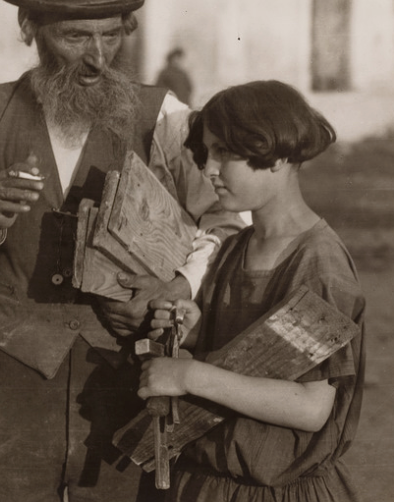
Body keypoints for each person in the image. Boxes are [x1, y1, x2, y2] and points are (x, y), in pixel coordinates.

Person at [0, 0, 244, 502]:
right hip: (10, 385)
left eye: (111, 36)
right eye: (74, 36)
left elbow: (231, 222)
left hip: (127, 380)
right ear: (30, 28)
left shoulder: (164, 116)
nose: (96, 57)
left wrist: (177, 285)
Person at [138, 80, 365, 502]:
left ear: (277, 154)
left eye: (224, 152)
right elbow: (253, 359)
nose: (207, 169)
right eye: (206, 152)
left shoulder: (317, 263)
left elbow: (310, 407)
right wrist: (192, 331)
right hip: (208, 484)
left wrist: (191, 375)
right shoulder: (234, 248)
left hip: (276, 492)